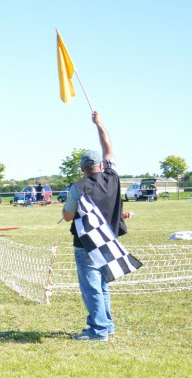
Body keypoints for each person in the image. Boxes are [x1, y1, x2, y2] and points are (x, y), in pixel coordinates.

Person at [62, 111, 127, 341]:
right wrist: (99, 124)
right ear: (101, 165)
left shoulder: (77, 187)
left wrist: (65, 210)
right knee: (102, 285)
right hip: (109, 241)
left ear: (82, 168)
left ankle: (98, 330)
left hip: (86, 244)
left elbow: (68, 216)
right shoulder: (113, 177)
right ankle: (107, 325)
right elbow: (108, 147)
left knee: (92, 288)